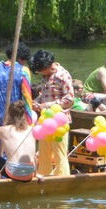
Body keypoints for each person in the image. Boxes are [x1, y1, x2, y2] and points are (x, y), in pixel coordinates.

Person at [30, 49, 73, 177]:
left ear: (48, 66)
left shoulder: (63, 75)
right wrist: (35, 103)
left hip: (60, 123)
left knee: (60, 154)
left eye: (40, 70)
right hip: (45, 121)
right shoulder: (45, 76)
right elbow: (43, 95)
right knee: (43, 153)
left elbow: (69, 100)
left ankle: (62, 179)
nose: (40, 73)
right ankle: (43, 176)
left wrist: (46, 105)